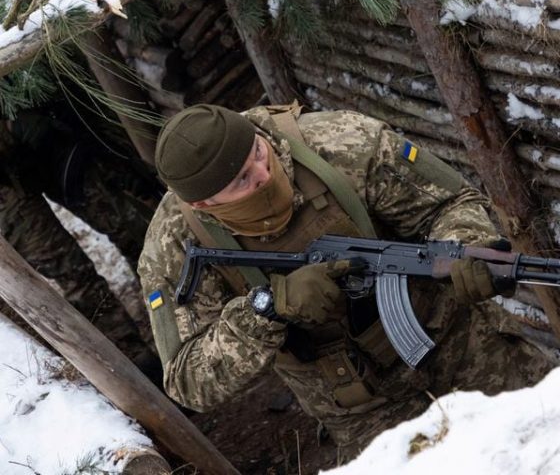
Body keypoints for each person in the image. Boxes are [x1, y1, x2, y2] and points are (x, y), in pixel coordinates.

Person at [138, 102, 556, 462]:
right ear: (202, 204)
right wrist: (267, 308)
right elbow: (187, 381)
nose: (264, 174)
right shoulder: (175, 247)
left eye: (258, 154)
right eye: (242, 181)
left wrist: (466, 247)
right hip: (359, 408)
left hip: (463, 343)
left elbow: (450, 203)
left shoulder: (341, 142)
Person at [0, 104, 162, 380]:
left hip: (35, 143)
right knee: (76, 277)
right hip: (7, 195)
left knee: (129, 230)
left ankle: (172, 329)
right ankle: (139, 371)